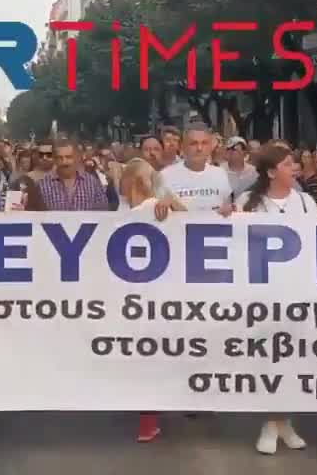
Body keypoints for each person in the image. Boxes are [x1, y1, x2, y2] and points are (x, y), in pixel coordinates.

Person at [238, 144, 316, 454]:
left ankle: (281, 422)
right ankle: (273, 422)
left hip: (298, 293)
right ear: (271, 172)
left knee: (292, 360)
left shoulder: (306, 202)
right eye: (287, 164)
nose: (294, 168)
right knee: (269, 360)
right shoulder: (248, 201)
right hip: (262, 295)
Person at [118, 158, 179, 443]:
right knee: (150, 355)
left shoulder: (155, 208)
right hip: (145, 295)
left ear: (133, 181)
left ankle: (148, 419)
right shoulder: (128, 210)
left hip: (148, 295)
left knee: (146, 355)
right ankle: (149, 417)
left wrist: (172, 205)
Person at [159, 124, 233, 214]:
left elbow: (228, 207)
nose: (199, 148)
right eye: (193, 143)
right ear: (182, 146)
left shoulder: (220, 174)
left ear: (210, 147)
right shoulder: (165, 175)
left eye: (204, 143)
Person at [37, 140, 109, 212]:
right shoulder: (42, 185)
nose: (64, 162)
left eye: (68, 157)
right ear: (55, 160)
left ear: (76, 158)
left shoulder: (92, 183)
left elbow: (103, 212)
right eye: (60, 158)